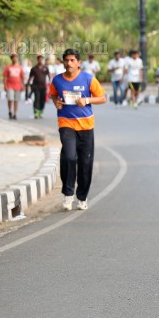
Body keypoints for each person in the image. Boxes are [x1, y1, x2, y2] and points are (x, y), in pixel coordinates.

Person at [49, 48, 107, 211]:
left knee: (85, 162)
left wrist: (87, 99)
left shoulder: (88, 79)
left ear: (79, 63)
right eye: (66, 60)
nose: (69, 63)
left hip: (86, 126)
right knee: (69, 157)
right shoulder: (57, 80)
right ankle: (68, 194)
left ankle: (82, 197)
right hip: (66, 124)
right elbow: (53, 94)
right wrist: (56, 102)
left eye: (72, 60)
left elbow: (103, 98)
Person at [3, 54, 25, 120]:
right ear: (11, 59)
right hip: (10, 85)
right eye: (14, 58)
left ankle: (15, 114)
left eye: (16, 58)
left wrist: (23, 85)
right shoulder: (8, 67)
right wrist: (5, 85)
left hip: (18, 86)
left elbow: (22, 77)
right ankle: (10, 111)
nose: (15, 59)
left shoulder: (20, 67)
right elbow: (5, 77)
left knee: (16, 100)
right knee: (10, 98)